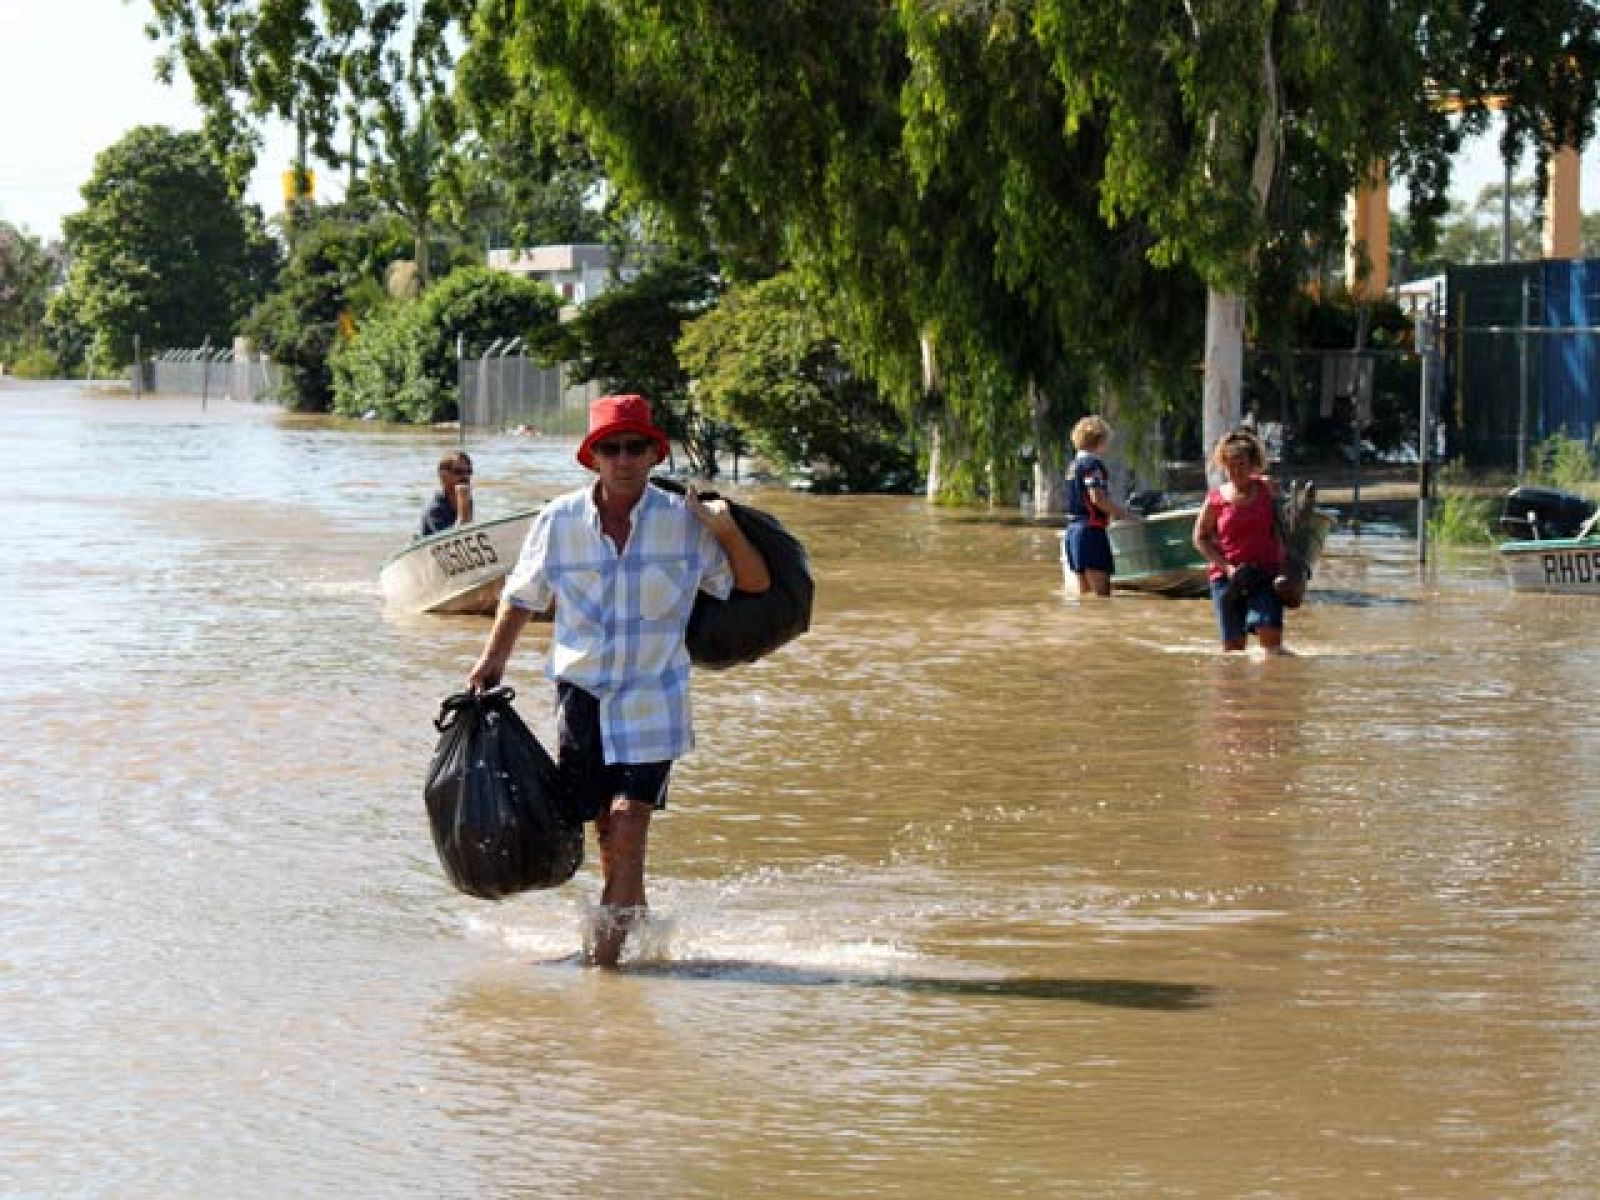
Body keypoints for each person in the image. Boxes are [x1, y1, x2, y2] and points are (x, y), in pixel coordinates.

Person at [466, 394, 771, 968]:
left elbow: (751, 583)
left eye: (635, 447)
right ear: (593, 458)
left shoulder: (685, 522)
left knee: (630, 820)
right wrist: (491, 663)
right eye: (612, 448)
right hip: (582, 695)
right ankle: (639, 925)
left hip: (655, 694)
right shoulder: (557, 520)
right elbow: (521, 597)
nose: (624, 459)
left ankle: (603, 966)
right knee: (607, 828)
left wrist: (726, 531)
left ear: (654, 454)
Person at [1192, 428, 1288, 654]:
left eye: (1242, 464)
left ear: (1253, 463)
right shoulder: (1216, 499)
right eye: (1230, 466)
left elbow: (1286, 527)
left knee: (1270, 638)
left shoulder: (1267, 489)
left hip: (1265, 574)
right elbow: (1200, 538)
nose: (1236, 471)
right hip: (1228, 578)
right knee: (1233, 649)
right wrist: (1228, 568)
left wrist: (1290, 565)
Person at [1063, 415, 1139, 596]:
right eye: (1106, 441)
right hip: (1090, 531)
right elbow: (1097, 499)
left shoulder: (1073, 466)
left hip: (1072, 532)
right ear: (1099, 440)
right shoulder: (1092, 465)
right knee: (1102, 596)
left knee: (1085, 596)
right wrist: (1127, 515)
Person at [419, 452, 475, 537]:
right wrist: (463, 506)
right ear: (443, 475)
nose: (465, 476)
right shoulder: (435, 510)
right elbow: (454, 539)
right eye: (458, 472)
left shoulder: (466, 499)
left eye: (469, 471)